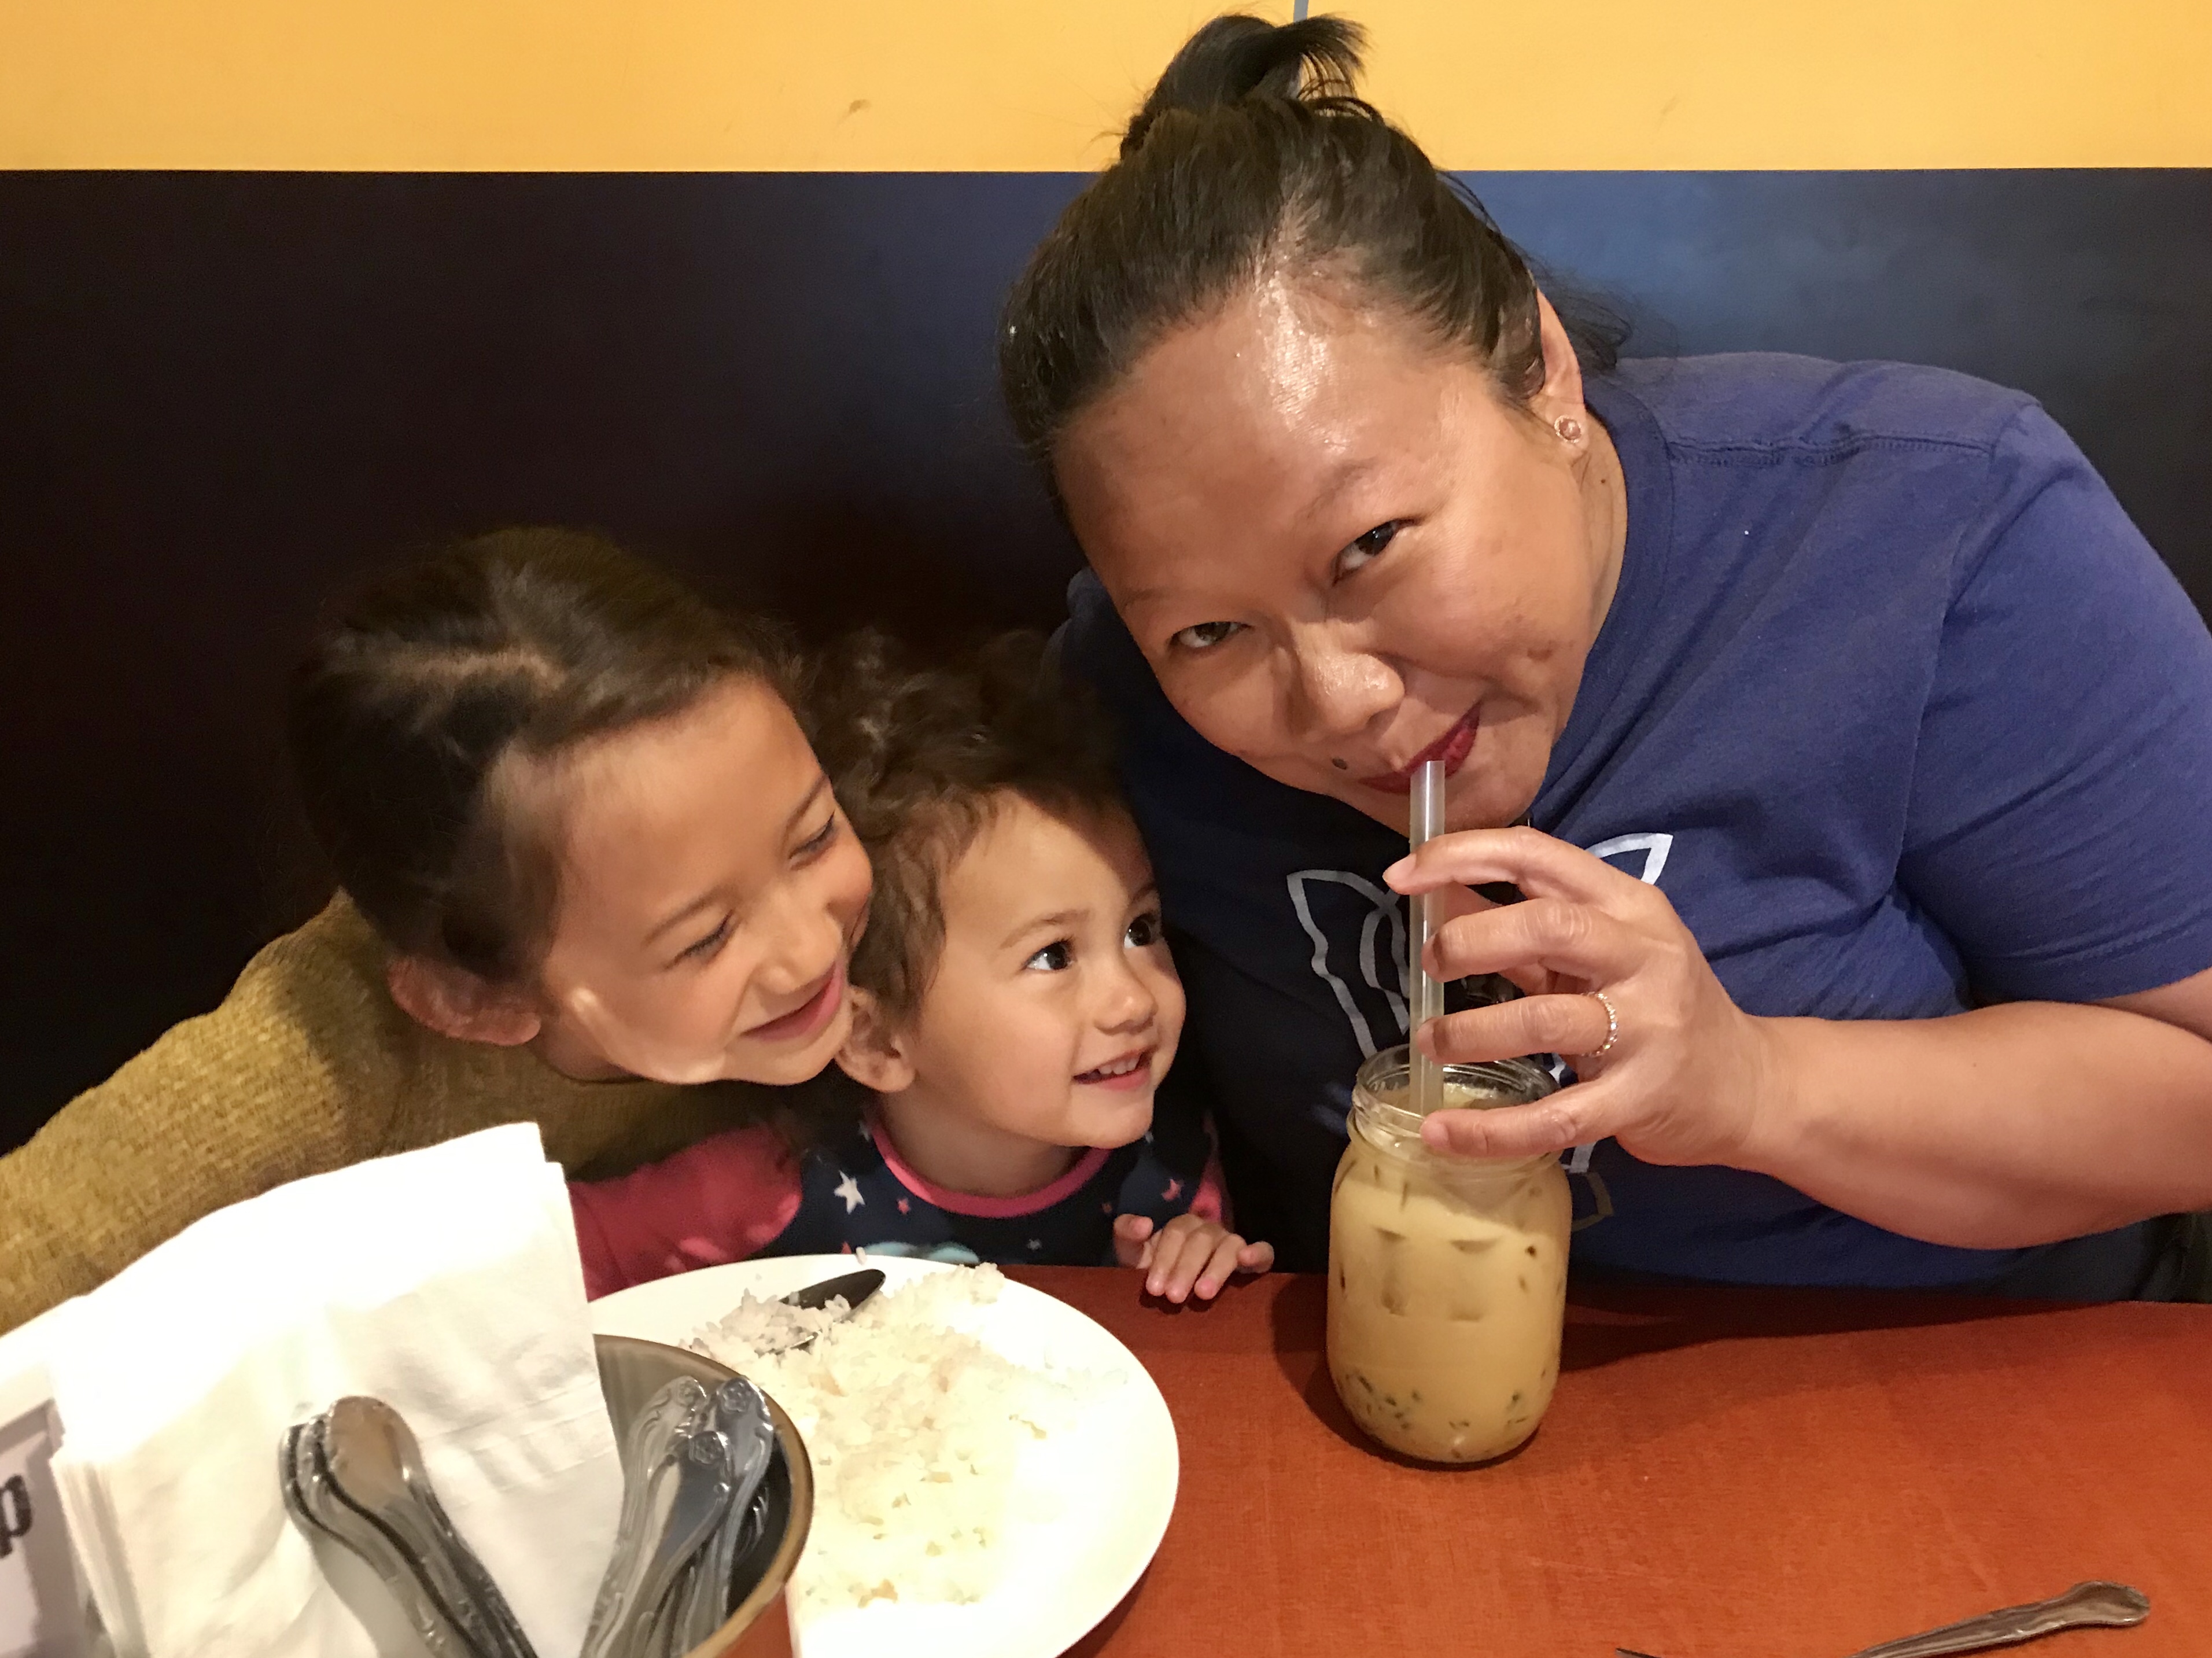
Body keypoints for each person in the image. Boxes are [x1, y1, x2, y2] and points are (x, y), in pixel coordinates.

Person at [1000, 14, 2212, 1296]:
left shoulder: (1936, 523)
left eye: (1369, 545)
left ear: (1541, 370)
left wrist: (1756, 1083)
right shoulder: (1118, 696)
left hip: (1958, 1370)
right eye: (1207, 631)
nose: (1340, 702)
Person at [0, 528, 874, 1333]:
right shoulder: (320, 1059)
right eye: (706, 937)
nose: (810, 948)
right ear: (474, 1001)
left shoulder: (876, 827)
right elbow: (33, 1246)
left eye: (813, 836)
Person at [570, 635, 1274, 1303]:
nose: (1132, 1000)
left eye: (1139, 929)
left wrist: (1193, 1261)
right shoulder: (774, 1186)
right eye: (1052, 955)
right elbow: (562, 1250)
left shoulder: (1169, 1161)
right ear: (874, 1039)